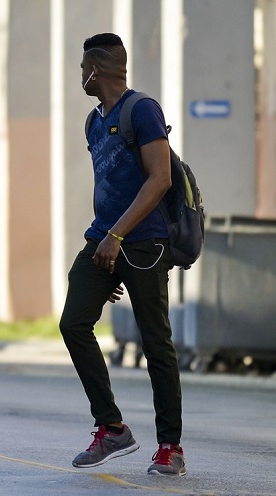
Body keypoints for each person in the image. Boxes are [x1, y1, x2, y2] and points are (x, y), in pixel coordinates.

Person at [60, 33, 185, 476]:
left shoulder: (143, 110)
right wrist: (105, 242)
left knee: (156, 343)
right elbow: (106, 185)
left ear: (95, 70)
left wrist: (117, 235)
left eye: (82, 69)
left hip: (145, 243)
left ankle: (171, 446)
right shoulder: (94, 121)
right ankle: (111, 427)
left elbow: (161, 179)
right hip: (104, 240)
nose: (79, 76)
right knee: (73, 322)